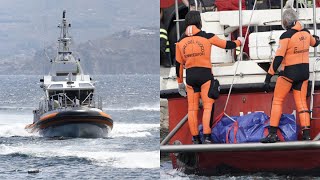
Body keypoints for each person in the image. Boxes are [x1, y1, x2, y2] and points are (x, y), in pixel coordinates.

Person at [175, 11, 244, 144]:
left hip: (190, 78)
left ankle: (195, 138)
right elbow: (226, 45)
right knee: (207, 106)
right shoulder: (207, 37)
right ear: (199, 22)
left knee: (192, 109)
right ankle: (207, 136)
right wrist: (239, 42)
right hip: (205, 75)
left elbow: (178, 64)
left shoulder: (180, 42)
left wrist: (180, 83)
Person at [261, 8, 320, 143]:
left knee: (277, 100)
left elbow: (278, 59)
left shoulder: (286, 36)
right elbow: (315, 42)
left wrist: (268, 78)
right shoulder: (306, 33)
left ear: (286, 22)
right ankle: (306, 134)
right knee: (302, 103)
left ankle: (272, 134)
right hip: (303, 74)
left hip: (288, 74)